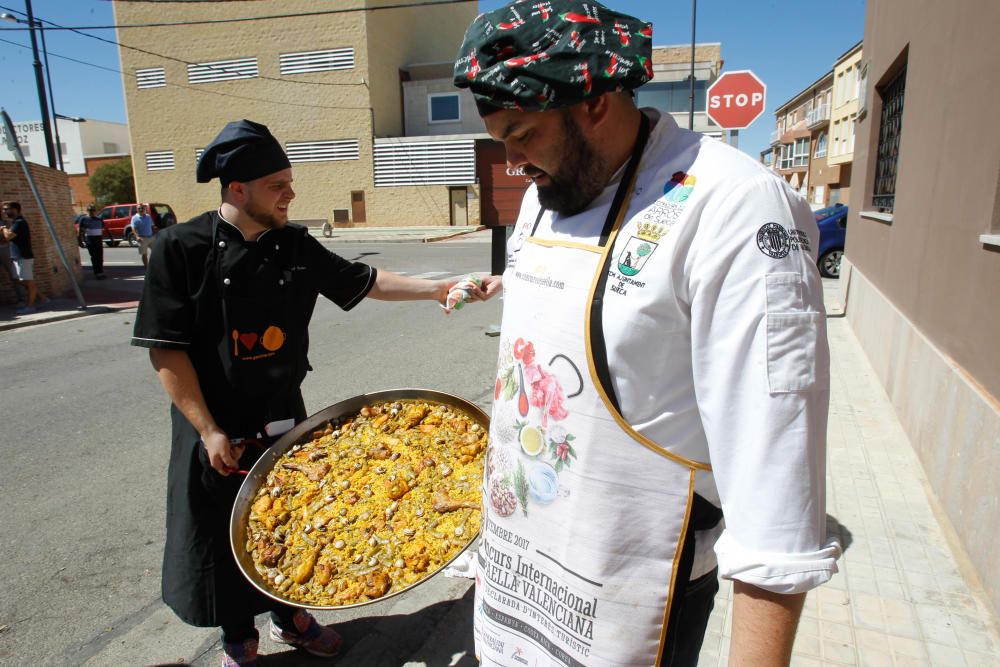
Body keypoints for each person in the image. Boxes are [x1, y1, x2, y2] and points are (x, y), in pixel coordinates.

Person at [453, 3, 840, 665]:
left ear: (597, 102)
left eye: (522, 133)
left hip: (638, 593)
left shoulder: (734, 208)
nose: (511, 162)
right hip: (522, 580)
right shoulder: (549, 196)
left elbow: (778, 507)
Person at [131, 119, 488, 667]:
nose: (290, 193)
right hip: (212, 418)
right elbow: (167, 351)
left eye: (288, 181)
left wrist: (438, 287)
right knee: (227, 535)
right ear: (237, 189)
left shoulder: (292, 244)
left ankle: (291, 617)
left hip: (280, 412)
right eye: (278, 184)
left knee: (294, 521)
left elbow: (363, 281)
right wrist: (207, 429)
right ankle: (238, 638)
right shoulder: (179, 248)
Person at [1, 201, 39, 314]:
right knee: (19, 280)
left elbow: (8, 236)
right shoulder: (15, 222)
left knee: (28, 282)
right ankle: (41, 298)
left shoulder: (20, 222)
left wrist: (3, 228)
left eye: (6, 209)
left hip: (23, 257)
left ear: (15, 209)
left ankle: (30, 306)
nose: (4, 211)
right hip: (17, 257)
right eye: (3, 209)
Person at [0, 211, 28, 306]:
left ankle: (23, 299)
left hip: (4, 249)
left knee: (14, 275)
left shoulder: (4, 221)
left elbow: (8, 236)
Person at [78, 205, 108, 279]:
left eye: (93, 210)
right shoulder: (84, 219)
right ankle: (97, 273)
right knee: (94, 256)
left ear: (95, 211)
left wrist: (111, 238)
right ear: (87, 211)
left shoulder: (99, 219)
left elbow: (105, 228)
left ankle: (101, 271)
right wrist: (80, 241)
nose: (92, 212)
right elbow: (80, 230)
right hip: (90, 239)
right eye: (90, 210)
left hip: (98, 239)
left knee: (100, 256)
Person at [131, 203, 156, 267]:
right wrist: (137, 236)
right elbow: (133, 228)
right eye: (139, 208)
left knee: (156, 252)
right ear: (137, 210)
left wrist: (156, 234)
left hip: (151, 237)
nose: (141, 209)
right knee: (144, 254)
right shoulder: (134, 218)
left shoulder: (148, 216)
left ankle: (155, 266)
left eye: (142, 208)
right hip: (142, 238)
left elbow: (152, 226)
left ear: (144, 209)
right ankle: (146, 268)